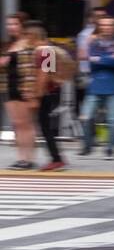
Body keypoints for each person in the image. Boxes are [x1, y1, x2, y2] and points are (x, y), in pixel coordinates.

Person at [26, 21, 74, 172]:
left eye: (26, 35)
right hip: (50, 92)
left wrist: (36, 96)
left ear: (33, 36)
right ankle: (57, 158)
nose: (25, 39)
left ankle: (56, 159)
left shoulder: (44, 51)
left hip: (47, 93)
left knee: (45, 127)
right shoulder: (48, 50)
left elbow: (44, 75)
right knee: (45, 127)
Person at [80, 15, 114, 159]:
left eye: (109, 25)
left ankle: (110, 149)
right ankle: (88, 144)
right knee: (86, 117)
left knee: (112, 120)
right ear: (99, 27)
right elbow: (90, 60)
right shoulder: (93, 43)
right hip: (94, 85)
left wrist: (99, 58)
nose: (106, 27)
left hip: (113, 86)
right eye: (103, 25)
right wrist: (109, 58)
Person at [2, 12, 36, 170]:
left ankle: (28, 159)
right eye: (9, 24)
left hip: (25, 86)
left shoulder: (30, 43)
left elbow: (44, 64)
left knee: (25, 124)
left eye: (15, 24)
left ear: (22, 26)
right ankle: (21, 157)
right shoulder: (8, 45)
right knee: (16, 124)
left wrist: (35, 90)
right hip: (9, 86)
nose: (11, 27)